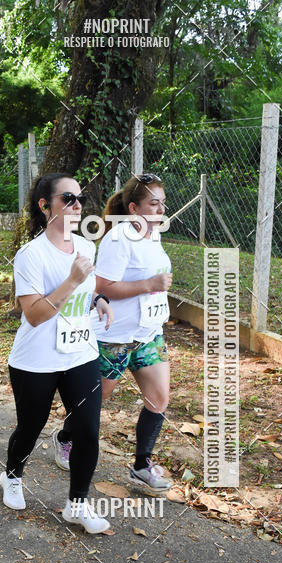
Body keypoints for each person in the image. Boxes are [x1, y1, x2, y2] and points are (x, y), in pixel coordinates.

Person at [0, 173, 114, 535]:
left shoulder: (86, 247)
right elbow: (33, 315)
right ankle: (12, 475)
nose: (77, 205)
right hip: (36, 359)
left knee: (87, 430)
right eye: (67, 198)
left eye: (79, 198)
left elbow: (83, 293)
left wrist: (99, 300)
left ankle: (76, 504)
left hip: (80, 353)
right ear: (45, 205)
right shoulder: (30, 255)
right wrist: (73, 280)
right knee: (31, 427)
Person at [93, 173, 173, 493]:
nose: (160, 210)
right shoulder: (119, 238)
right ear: (134, 208)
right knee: (96, 400)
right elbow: (102, 287)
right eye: (153, 204)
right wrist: (148, 285)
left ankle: (141, 466)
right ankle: (66, 438)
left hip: (148, 333)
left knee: (159, 398)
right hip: (114, 336)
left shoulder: (153, 234)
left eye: (162, 203)